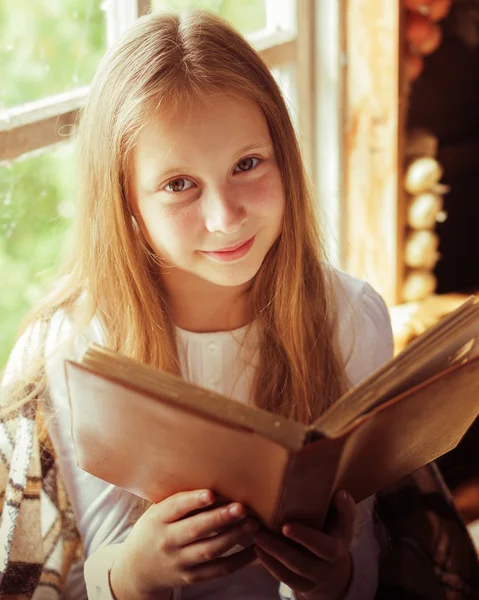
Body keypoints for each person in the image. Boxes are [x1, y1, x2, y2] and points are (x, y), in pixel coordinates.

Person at [0, 10, 394, 600]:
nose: (225, 216)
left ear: (284, 157)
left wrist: (331, 581)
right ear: (127, 203)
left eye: (247, 164)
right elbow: (71, 576)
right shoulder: (79, 347)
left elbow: (365, 556)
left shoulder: (351, 318)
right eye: (179, 185)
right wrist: (135, 574)